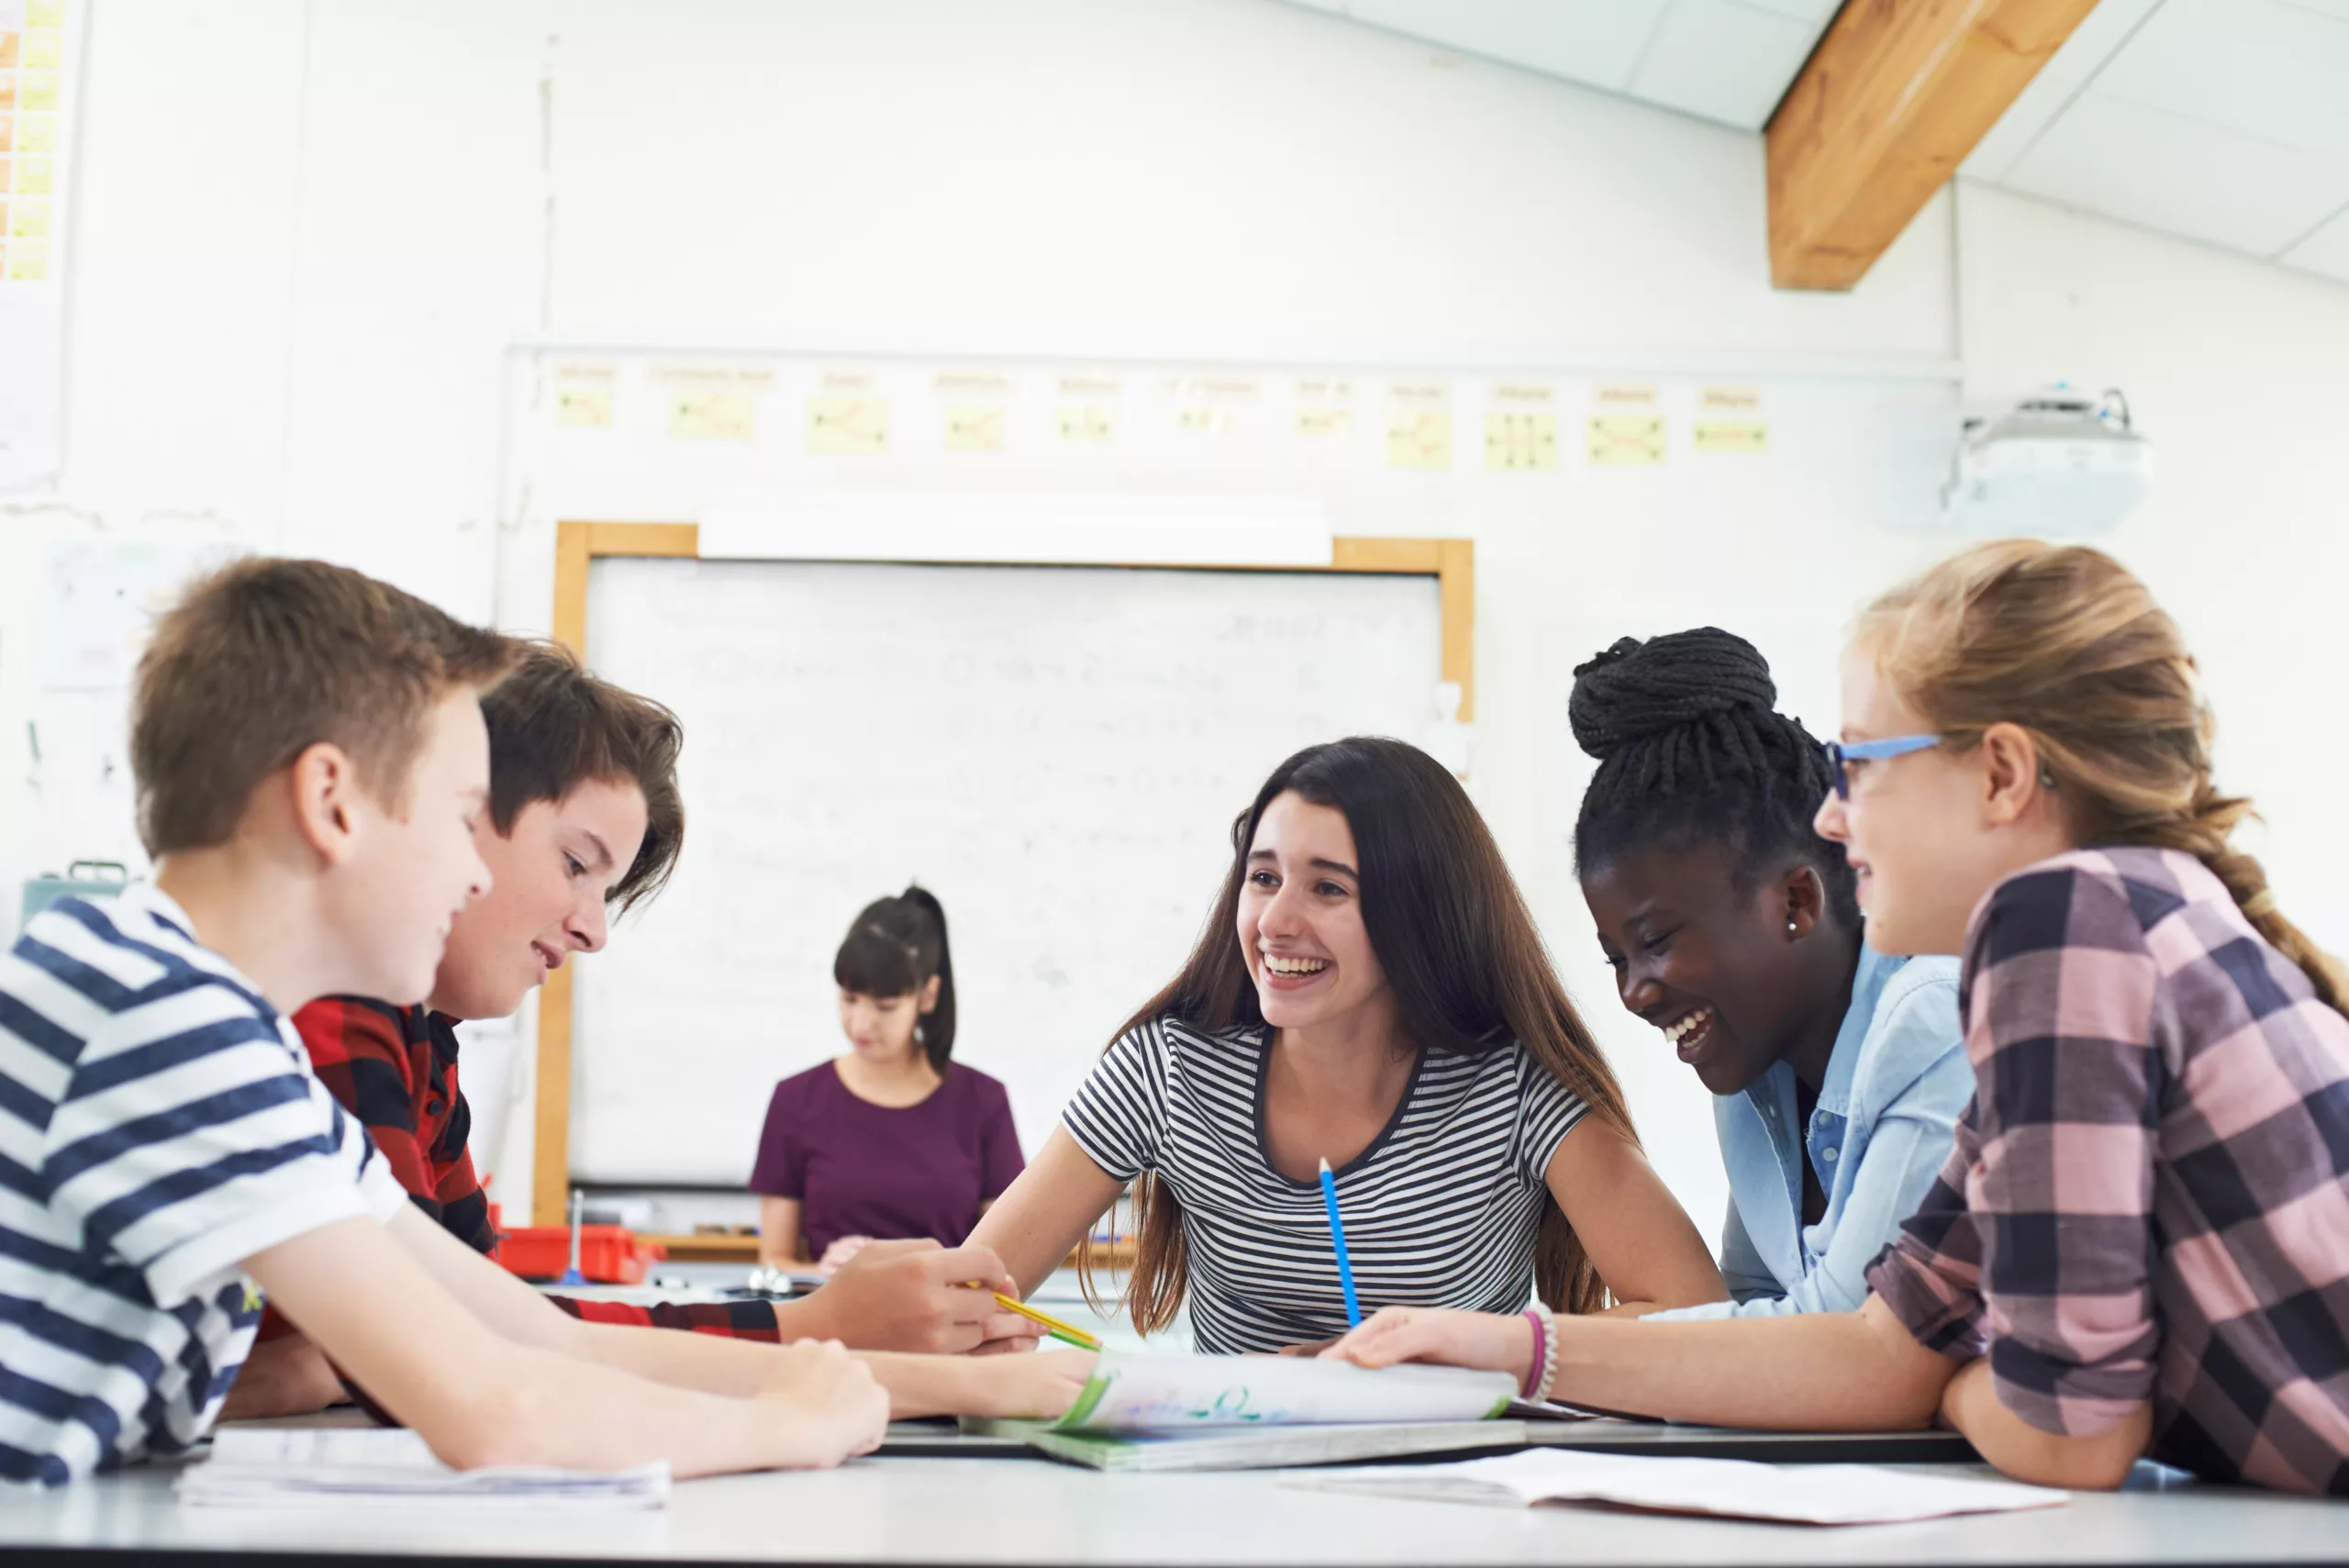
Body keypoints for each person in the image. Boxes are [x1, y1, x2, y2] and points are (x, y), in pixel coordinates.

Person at [1322, 543, 2349, 1496]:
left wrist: (1951, 1386)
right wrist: (1509, 1345)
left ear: (1999, 773)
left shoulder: (2060, 925)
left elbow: (2070, 1432)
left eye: (1859, 765)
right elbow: (1878, 1345)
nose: (1829, 815)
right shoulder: (2113, 926)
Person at [0, 559, 885, 1485]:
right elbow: (494, 1410)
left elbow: (535, 1339)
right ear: (331, 799)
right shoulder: (160, 1014)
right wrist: (795, 1424)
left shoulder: (218, 1024)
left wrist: (827, 1378)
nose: (471, 872)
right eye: (460, 817)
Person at [227, 643, 1064, 1426]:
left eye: (607, 888)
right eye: (575, 864)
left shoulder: (420, 1039)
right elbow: (463, 1348)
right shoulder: (332, 1002)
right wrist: (837, 1339)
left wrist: (827, 1331)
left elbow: (500, 1324)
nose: (592, 929)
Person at [969, 736, 1724, 1354]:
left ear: (1420, 912)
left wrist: (1455, 1352)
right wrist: (978, 1331)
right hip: (1233, 1500)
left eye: (1328, 888)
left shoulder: (1513, 1085)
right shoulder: (1169, 1069)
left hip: (1454, 1504)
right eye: (1263, 877)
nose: (1275, 922)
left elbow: (1694, 1316)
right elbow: (970, 1296)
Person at [1568, 628, 1968, 1316]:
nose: (1634, 992)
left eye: (1656, 940)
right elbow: (1755, 1298)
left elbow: (1841, 1339)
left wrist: (1533, 1350)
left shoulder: (1937, 1020)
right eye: (1616, 957)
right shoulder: (1751, 1072)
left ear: (1796, 901)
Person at [752, 888, 1024, 1277]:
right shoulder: (795, 1100)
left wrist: (931, 1272)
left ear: (927, 995)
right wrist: (822, 1273)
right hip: (832, 1329)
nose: (861, 1024)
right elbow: (773, 1262)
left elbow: (1007, 1262)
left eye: (885, 1007)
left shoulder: (983, 1102)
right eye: (849, 999)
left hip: (951, 1327)